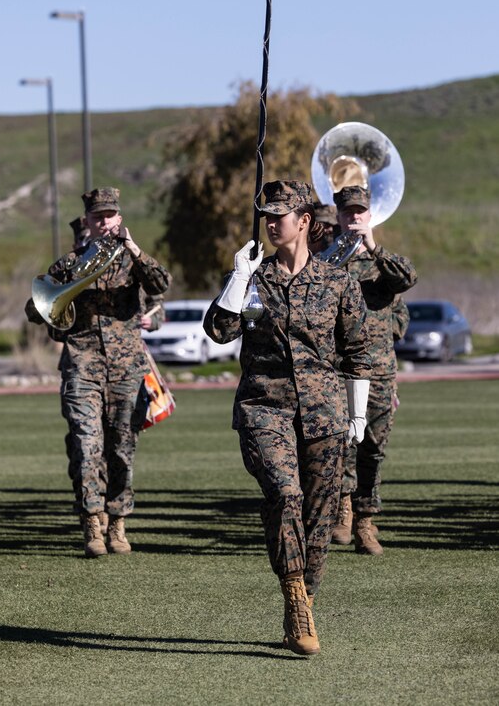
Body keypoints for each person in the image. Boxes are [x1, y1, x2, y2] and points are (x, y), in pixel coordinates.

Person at [203, 180, 371, 656]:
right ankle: (296, 599)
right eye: (267, 215)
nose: (272, 222)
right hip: (265, 408)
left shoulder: (338, 282)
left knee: (319, 520)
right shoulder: (253, 278)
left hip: (325, 415)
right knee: (285, 494)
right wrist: (239, 276)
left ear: (304, 221)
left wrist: (357, 415)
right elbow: (219, 330)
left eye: (282, 215)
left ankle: (306, 597)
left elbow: (358, 353)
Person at [25, 187, 171, 558]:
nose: (104, 222)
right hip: (83, 366)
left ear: (119, 218)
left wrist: (135, 250)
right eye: (97, 217)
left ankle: (118, 521)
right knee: (86, 446)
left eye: (110, 215)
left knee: (122, 449)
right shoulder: (70, 262)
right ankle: (92, 520)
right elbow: (36, 306)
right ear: (87, 222)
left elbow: (161, 284)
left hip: (126, 369)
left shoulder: (133, 260)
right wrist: (61, 292)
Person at [330, 185, 417, 556]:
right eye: (348, 212)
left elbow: (407, 279)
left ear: (370, 215)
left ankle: (366, 519)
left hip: (379, 371)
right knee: (342, 445)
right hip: (340, 370)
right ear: (338, 215)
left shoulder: (384, 264)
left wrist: (373, 247)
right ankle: (344, 511)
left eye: (360, 212)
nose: (354, 218)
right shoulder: (329, 260)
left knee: (373, 449)